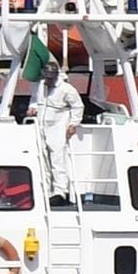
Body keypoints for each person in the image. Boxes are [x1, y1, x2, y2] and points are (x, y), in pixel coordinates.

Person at [28, 60, 83, 208]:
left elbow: (78, 106)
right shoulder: (40, 86)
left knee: (58, 159)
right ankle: (46, 190)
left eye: (51, 77)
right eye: (47, 76)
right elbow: (34, 100)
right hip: (41, 125)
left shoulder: (67, 89)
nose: (49, 79)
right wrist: (32, 108)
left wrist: (73, 124)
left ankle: (60, 192)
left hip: (58, 126)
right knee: (43, 159)